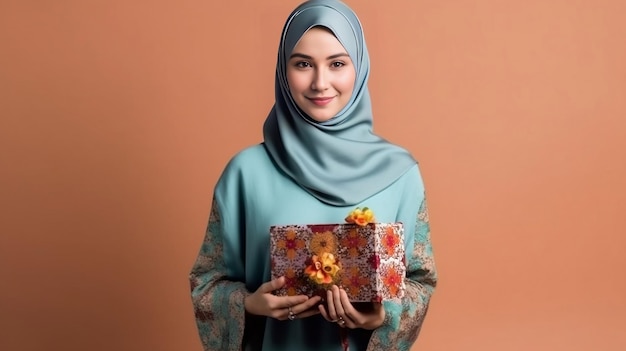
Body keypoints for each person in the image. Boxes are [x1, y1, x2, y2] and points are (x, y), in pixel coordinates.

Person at [189, 0, 437, 350]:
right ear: (282, 70)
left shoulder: (400, 174)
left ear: (360, 68)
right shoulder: (245, 173)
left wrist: (382, 316)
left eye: (337, 63)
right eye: (303, 64)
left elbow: (420, 283)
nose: (321, 83)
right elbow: (207, 283)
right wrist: (248, 304)